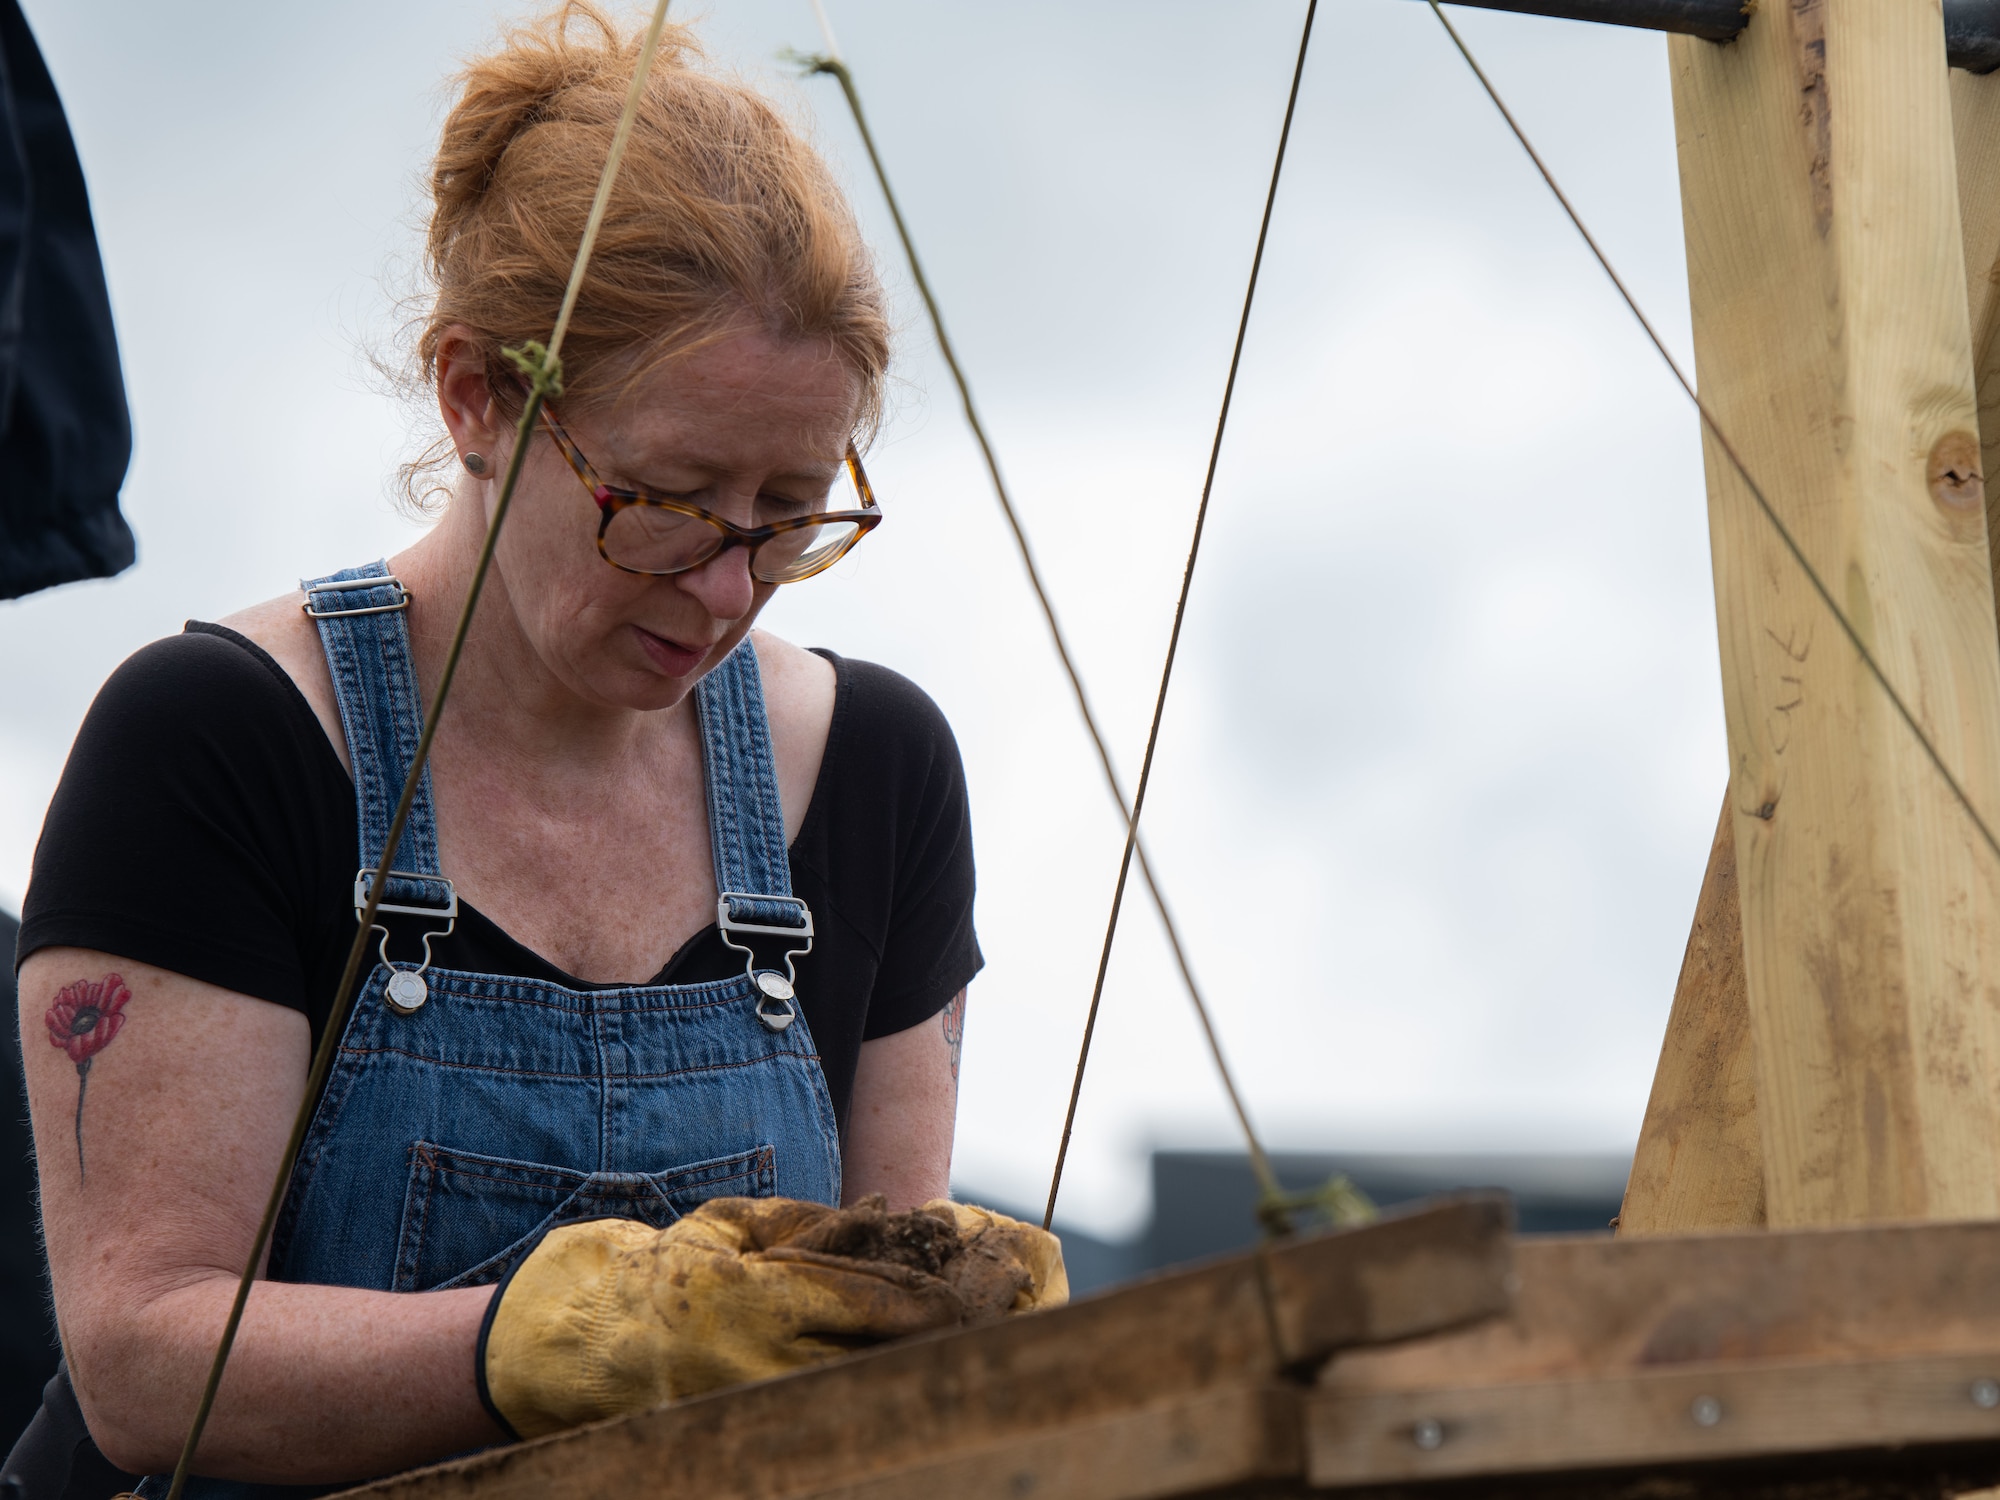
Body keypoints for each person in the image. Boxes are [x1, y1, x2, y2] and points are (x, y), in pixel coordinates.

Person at [9, 8, 1059, 1497]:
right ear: (478, 398)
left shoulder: (879, 773)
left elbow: (875, 1351)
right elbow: (144, 1362)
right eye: (672, 499)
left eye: (788, 512)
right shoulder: (221, 745)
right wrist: (555, 1340)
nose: (724, 586)